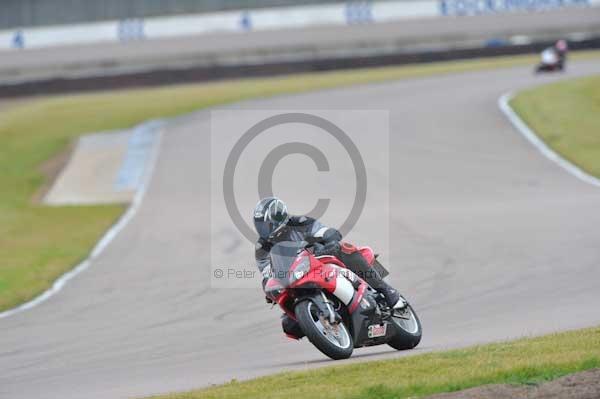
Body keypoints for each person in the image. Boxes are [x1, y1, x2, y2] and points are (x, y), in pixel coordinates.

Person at [253, 197, 400, 337]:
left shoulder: (300, 222)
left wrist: (329, 237)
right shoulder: (262, 247)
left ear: (280, 217)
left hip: (320, 259)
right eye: (261, 226)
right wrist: (270, 289)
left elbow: (321, 231)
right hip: (294, 277)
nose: (265, 230)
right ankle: (325, 325)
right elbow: (268, 273)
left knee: (345, 248)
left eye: (268, 225)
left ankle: (385, 289)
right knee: (289, 325)